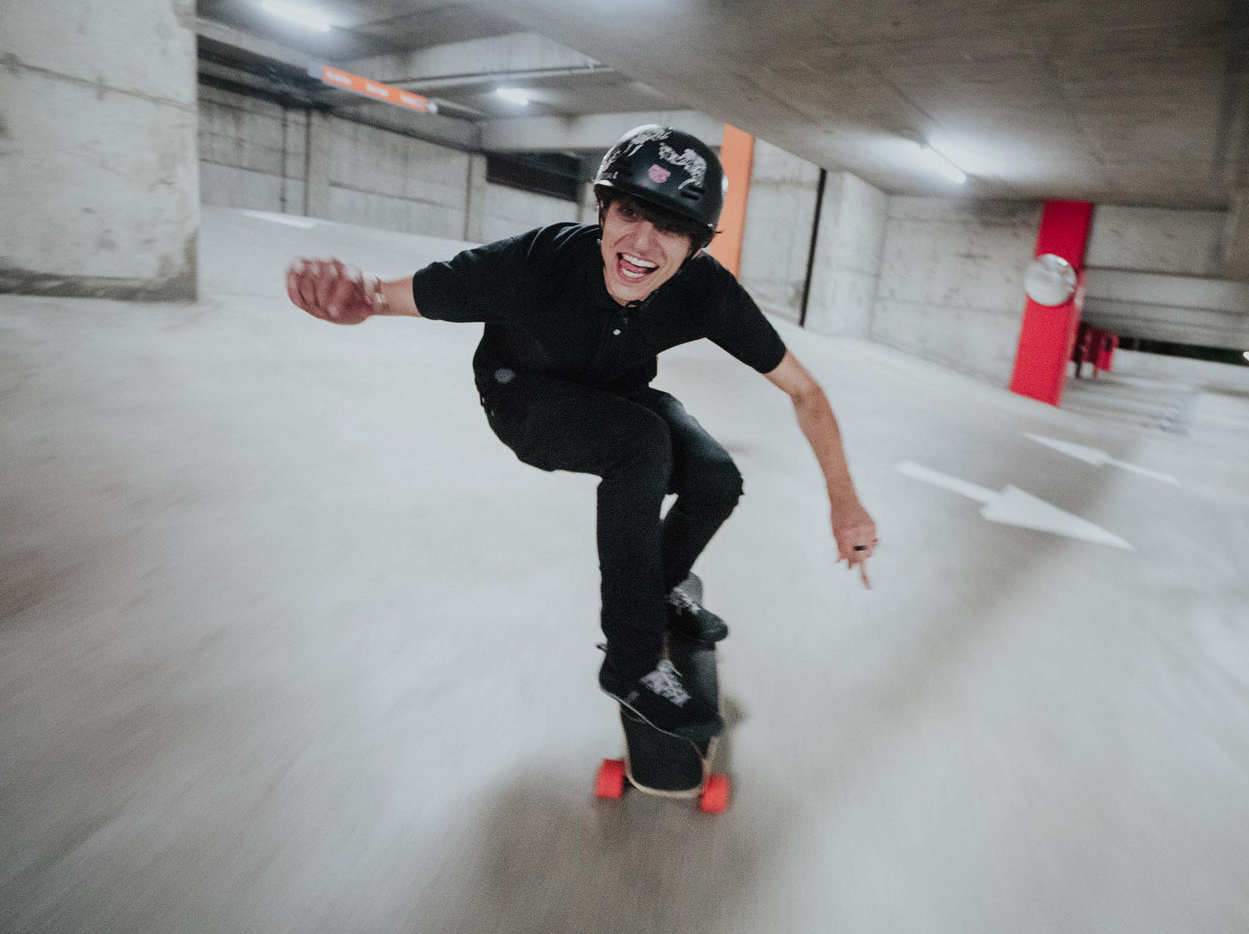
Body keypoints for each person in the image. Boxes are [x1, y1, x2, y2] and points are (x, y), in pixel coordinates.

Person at [286, 124, 878, 741]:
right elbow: (388, 295)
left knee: (716, 476)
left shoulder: (707, 293)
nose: (641, 244)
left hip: (619, 393)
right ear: (603, 209)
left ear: (698, 246)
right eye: (629, 214)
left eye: (670, 228)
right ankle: (632, 664)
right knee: (640, 445)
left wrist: (844, 500)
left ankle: (661, 587)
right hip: (523, 397)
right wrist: (357, 296)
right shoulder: (539, 260)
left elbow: (805, 390)